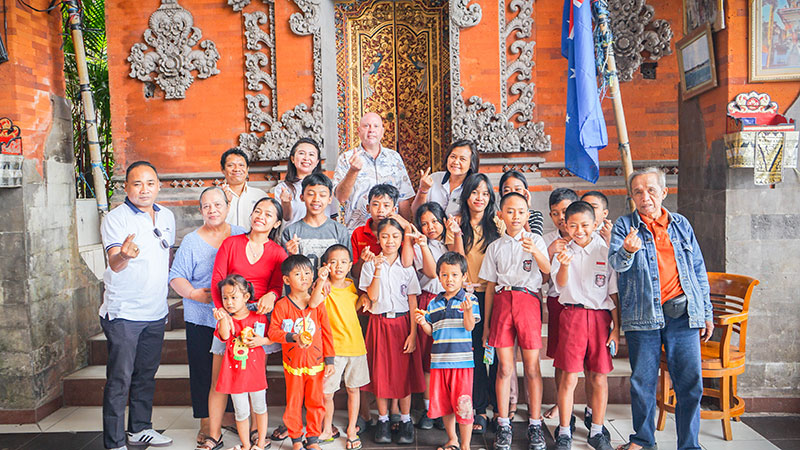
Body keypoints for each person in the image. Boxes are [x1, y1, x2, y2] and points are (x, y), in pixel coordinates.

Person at [609, 168, 712, 450]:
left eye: (651, 190)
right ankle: (643, 440)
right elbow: (616, 265)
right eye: (638, 192)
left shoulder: (681, 224)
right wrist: (627, 250)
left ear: (664, 192)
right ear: (632, 196)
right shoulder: (624, 226)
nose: (645, 197)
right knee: (642, 382)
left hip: (683, 315)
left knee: (689, 384)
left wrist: (706, 312)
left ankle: (689, 445)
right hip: (643, 316)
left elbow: (698, 270)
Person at [99, 161, 175, 450]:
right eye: (137, 183)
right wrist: (124, 256)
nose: (144, 189)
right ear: (126, 187)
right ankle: (115, 442)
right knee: (120, 379)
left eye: (150, 183)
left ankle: (140, 428)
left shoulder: (166, 216)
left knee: (145, 375)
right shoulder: (116, 219)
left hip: (155, 311)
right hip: (124, 314)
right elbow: (114, 264)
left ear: (158, 186)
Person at [169, 187, 246, 446]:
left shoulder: (240, 235)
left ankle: (230, 416)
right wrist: (193, 293)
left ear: (227, 206)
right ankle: (206, 420)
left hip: (236, 318)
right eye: (206, 206)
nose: (212, 210)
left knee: (236, 367)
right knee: (203, 369)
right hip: (202, 316)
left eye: (217, 204)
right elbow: (176, 276)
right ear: (200, 210)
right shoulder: (192, 241)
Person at [209, 197, 287, 448]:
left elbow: (278, 286)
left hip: (257, 319)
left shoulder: (278, 252)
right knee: (220, 376)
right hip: (230, 314)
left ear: (276, 223)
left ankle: (255, 434)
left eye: (268, 214)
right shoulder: (231, 243)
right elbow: (217, 280)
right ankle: (213, 434)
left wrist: (272, 295)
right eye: (257, 211)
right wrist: (223, 313)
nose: (261, 217)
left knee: (253, 375)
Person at [479, 192, 550, 450]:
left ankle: (535, 423)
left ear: (527, 214)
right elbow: (490, 286)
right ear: (501, 215)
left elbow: (547, 270)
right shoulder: (495, 247)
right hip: (502, 302)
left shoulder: (536, 240)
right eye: (510, 211)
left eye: (521, 211)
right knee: (504, 368)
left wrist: (535, 251)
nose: (516, 216)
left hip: (528, 300)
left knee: (532, 367)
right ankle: (503, 424)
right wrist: (487, 325)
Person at [550, 202, 618, 450]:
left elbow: (613, 293)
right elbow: (560, 285)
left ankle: (597, 430)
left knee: (599, 376)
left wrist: (616, 328)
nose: (579, 230)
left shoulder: (605, 251)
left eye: (585, 225)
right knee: (569, 376)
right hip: (573, 316)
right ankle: (564, 431)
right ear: (565, 225)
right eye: (573, 225)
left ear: (595, 224)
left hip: (600, 318)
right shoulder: (562, 251)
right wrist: (564, 264)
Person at [359, 218, 425, 445]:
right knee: (380, 372)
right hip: (379, 323)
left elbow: (413, 302)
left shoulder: (407, 268)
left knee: (404, 374)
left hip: (403, 324)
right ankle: (383, 420)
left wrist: (413, 334)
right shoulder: (370, 265)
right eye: (385, 236)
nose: (390, 241)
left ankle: (405, 420)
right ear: (378, 239)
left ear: (402, 240)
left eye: (395, 236)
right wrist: (378, 269)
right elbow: (372, 296)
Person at [445, 173, 501, 435]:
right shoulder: (455, 223)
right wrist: (457, 233)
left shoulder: (497, 224)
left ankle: (499, 406)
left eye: (485, 193)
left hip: (494, 293)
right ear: (466, 195)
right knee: (475, 354)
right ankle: (479, 408)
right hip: (467, 297)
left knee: (496, 352)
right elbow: (456, 260)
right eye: (475, 192)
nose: (480, 198)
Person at [268, 255, 336, 450]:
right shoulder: (282, 305)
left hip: (316, 363)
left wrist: (329, 360)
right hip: (294, 365)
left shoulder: (318, 303)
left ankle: (313, 439)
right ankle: (296, 439)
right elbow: (273, 333)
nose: (304, 277)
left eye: (307, 273)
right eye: (297, 274)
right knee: (294, 403)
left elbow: (327, 332)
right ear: (287, 280)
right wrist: (292, 337)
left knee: (316, 402)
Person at [414, 252, 481, 450]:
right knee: (445, 404)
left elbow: (469, 326)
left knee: (464, 404)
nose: (449, 279)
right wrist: (423, 322)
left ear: (464, 277)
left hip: (462, 364)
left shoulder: (470, 299)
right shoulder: (434, 303)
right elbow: (432, 332)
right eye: (444, 275)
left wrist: (467, 311)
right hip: (439, 362)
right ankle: (452, 439)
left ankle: (466, 445)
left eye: (454, 275)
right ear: (439, 277)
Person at [317, 245, 370, 449]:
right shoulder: (323, 287)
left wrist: (364, 298)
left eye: (343, 262)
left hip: (355, 347)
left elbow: (354, 307)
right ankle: (326, 428)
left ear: (350, 266)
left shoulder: (352, 286)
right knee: (327, 393)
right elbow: (313, 303)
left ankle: (351, 430)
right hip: (332, 350)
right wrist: (321, 280)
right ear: (325, 265)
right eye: (333, 262)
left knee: (353, 390)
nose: (338, 266)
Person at [213, 275, 272, 450]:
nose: (229, 302)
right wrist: (222, 318)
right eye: (225, 298)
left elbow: (271, 338)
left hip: (255, 373)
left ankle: (260, 443)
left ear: (246, 297)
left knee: (260, 408)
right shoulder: (227, 321)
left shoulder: (259, 318)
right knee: (241, 412)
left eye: (233, 297)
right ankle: (246, 445)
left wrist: (261, 341)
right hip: (235, 376)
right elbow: (225, 336)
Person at [333, 112, 415, 231]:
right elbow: (341, 197)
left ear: (382, 131)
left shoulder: (394, 157)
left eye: (376, 126)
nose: (371, 130)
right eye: (366, 126)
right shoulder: (346, 158)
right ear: (358, 131)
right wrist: (353, 171)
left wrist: (405, 230)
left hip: (391, 233)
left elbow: (404, 199)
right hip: (358, 231)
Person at [407, 202, 449, 430]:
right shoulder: (418, 246)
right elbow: (432, 273)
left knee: (446, 357)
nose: (430, 227)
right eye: (424, 223)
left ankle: (444, 406)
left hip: (450, 304)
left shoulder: (450, 242)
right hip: (428, 302)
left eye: (434, 221)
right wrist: (422, 244)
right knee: (428, 359)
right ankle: (429, 408)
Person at [542, 188, 579, 423]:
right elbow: (542, 279)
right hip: (558, 302)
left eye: (565, 211)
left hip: (584, 304)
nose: (561, 218)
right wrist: (549, 252)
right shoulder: (548, 240)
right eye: (555, 213)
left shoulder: (586, 235)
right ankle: (561, 401)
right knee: (560, 357)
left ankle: (585, 408)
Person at [281, 173, 351, 270]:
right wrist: (291, 255)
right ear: (302, 197)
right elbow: (286, 271)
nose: (316, 199)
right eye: (311, 194)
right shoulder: (291, 232)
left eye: (322, 195)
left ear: (330, 199)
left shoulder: (340, 231)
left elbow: (347, 267)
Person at [350, 183, 412, 280]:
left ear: (394, 210)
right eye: (375, 205)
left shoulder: (399, 233)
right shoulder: (358, 233)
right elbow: (355, 274)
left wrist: (408, 227)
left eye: (386, 205)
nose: (380, 210)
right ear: (368, 208)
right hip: (367, 285)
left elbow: (407, 264)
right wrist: (363, 260)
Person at [274, 138, 339, 226]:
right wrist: (286, 203)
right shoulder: (283, 188)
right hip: (295, 234)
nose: (306, 158)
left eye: (311, 154)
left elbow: (333, 218)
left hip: (323, 234)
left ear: (317, 162)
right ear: (292, 159)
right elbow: (286, 218)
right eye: (301, 153)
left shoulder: (326, 186)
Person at [410, 140, 480, 217]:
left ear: (471, 164)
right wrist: (423, 189)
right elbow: (416, 212)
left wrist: (463, 217)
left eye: (462, 159)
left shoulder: (475, 186)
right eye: (453, 157)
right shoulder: (434, 178)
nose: (456, 162)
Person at [221, 148, 267, 230]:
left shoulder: (260, 195)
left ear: (247, 169)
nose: (237, 169)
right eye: (231, 165)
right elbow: (209, 226)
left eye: (241, 165)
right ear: (223, 170)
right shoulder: (215, 196)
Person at [499, 170, 544, 236]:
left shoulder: (535, 216)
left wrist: (525, 211)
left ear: (526, 192)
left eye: (517, 189)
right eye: (507, 190)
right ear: (501, 193)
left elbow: (534, 240)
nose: (513, 193)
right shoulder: (497, 218)